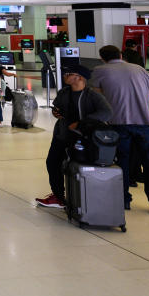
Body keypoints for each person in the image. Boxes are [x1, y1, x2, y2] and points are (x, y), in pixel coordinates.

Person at [90, 45, 149, 216]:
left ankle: (124, 199)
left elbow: (96, 98)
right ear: (121, 55)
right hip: (144, 126)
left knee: (121, 162)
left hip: (118, 125)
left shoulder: (99, 70)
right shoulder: (139, 69)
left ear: (102, 58)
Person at [35, 64, 112, 209]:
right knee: (53, 163)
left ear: (80, 77)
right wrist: (55, 113)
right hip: (61, 135)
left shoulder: (93, 96)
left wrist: (81, 123)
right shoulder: (64, 92)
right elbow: (57, 106)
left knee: (79, 167)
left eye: (69, 74)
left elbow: (107, 113)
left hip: (82, 138)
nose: (65, 76)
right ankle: (58, 196)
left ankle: (84, 198)